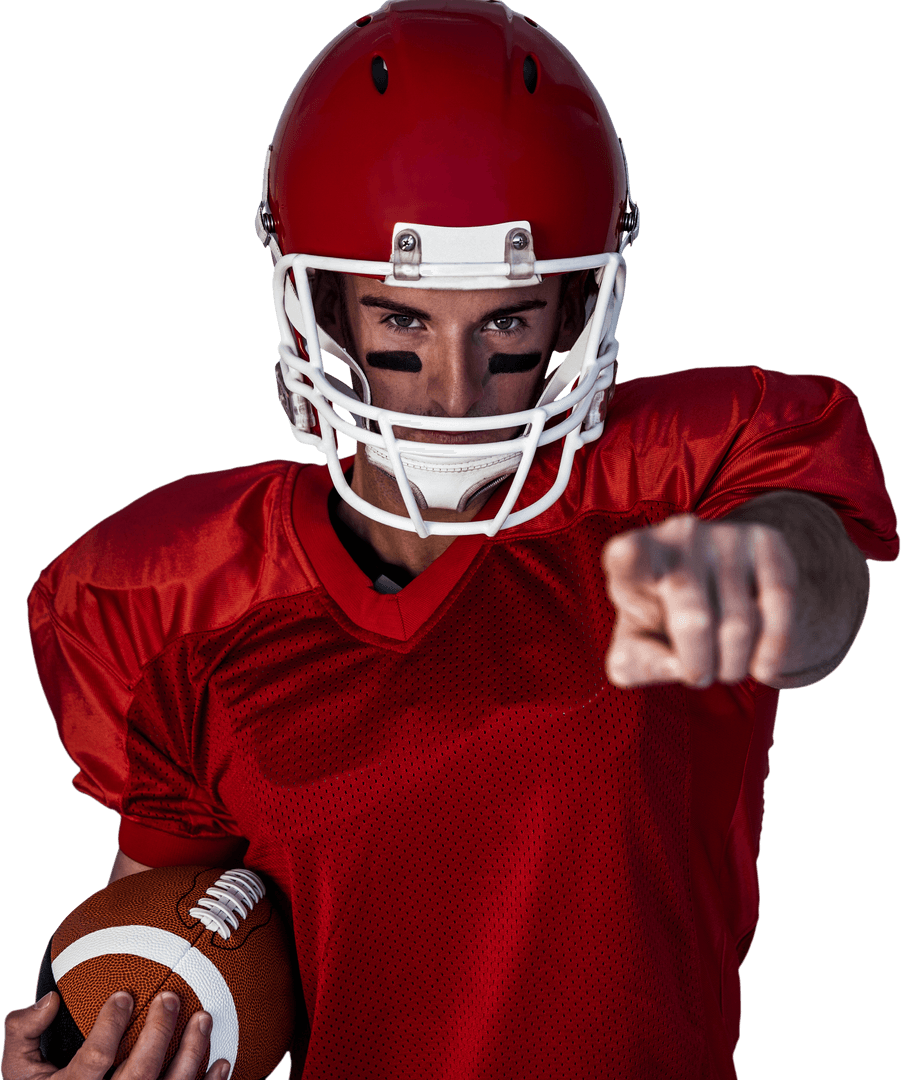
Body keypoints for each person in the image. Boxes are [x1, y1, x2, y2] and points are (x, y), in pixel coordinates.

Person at [2, 2, 897, 1079]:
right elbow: (171, 943)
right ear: (326, 308)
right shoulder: (177, 593)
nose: (455, 395)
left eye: (507, 326)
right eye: (405, 323)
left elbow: (823, 581)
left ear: (574, 311)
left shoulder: (680, 482)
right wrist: (89, 1053)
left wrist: (772, 575)